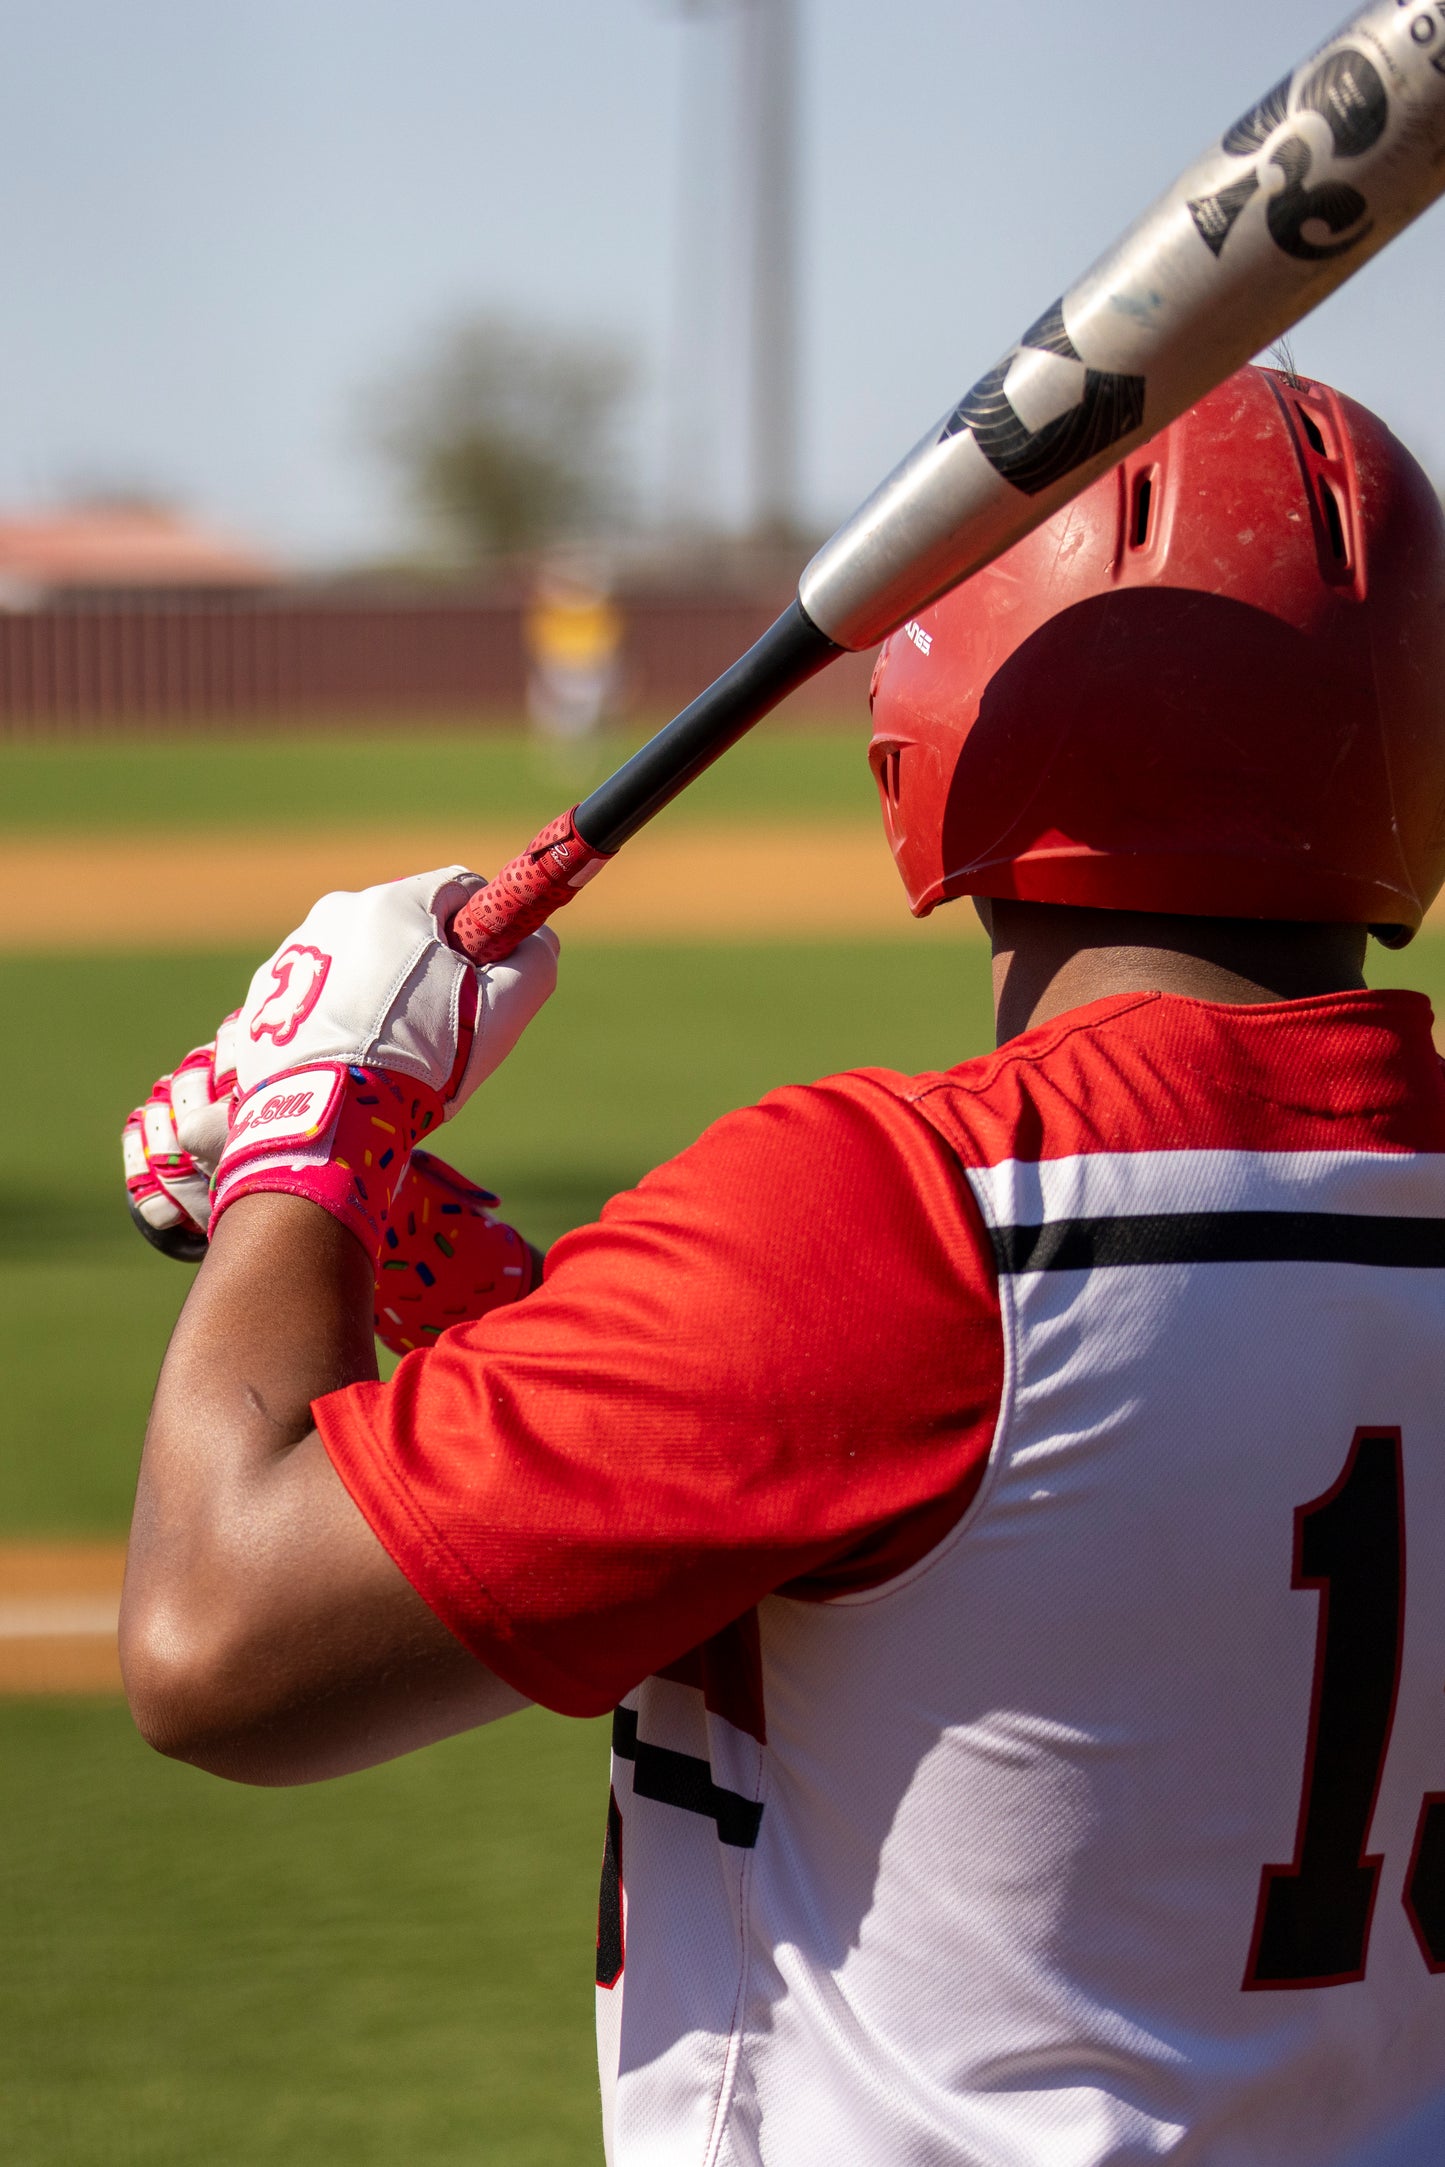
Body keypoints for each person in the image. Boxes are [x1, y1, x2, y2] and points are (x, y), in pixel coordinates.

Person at [120, 366, 1445, 2166]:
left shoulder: (886, 1218)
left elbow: (216, 1643)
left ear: (948, 719)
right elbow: (969, 1516)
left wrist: (310, 1126)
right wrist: (392, 1248)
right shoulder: (945, 1256)